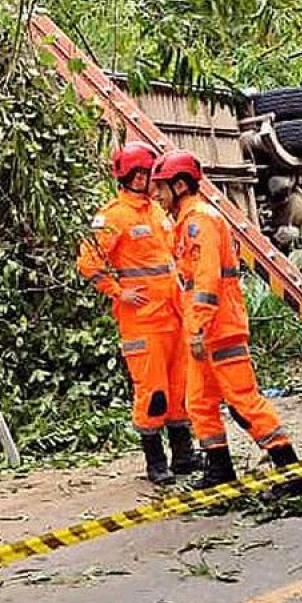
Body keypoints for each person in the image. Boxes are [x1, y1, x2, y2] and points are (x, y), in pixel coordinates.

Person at [150, 149, 302, 495]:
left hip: (218, 329)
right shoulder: (187, 222)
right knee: (199, 402)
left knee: (243, 401)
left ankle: (292, 473)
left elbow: (206, 281)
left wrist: (197, 327)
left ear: (180, 185)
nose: (157, 195)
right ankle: (220, 469)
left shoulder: (200, 221)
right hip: (205, 330)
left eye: (161, 187)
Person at [77, 141, 198, 485]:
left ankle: (184, 455)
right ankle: (155, 462)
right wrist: (118, 291)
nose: (156, 182)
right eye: (151, 175)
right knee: (153, 391)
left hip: (173, 314)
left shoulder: (158, 211)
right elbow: (88, 260)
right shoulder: (114, 216)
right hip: (142, 320)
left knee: (179, 389)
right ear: (135, 175)